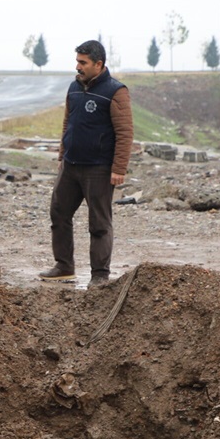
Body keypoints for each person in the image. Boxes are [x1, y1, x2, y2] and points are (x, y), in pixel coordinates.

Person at [38, 40, 133, 288]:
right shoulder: (73, 88)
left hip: (99, 169)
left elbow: (124, 132)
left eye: (83, 62)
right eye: (77, 61)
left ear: (98, 64)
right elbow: (67, 123)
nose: (78, 67)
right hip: (71, 165)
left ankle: (100, 275)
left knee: (99, 223)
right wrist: (61, 155)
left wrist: (118, 168)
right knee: (58, 212)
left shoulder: (115, 91)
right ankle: (64, 267)